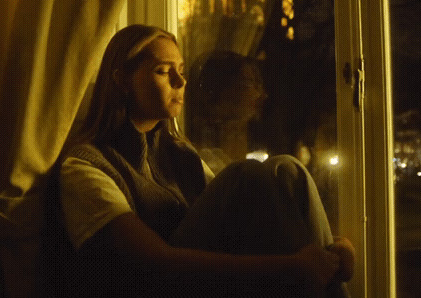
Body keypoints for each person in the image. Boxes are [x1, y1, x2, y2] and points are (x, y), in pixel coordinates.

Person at [40, 24, 354, 297]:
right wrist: (290, 268)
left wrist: (329, 247)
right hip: (155, 289)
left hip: (199, 279)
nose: (180, 81)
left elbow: (241, 214)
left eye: (182, 70)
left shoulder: (179, 154)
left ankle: (326, 260)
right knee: (247, 175)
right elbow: (155, 262)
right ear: (122, 80)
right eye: (163, 71)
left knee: (286, 169)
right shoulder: (85, 165)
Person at [186, 50, 267, 173]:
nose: (260, 94)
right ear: (220, 87)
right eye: (249, 83)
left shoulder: (243, 135)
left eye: (259, 85)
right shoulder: (201, 155)